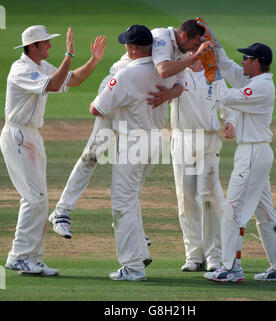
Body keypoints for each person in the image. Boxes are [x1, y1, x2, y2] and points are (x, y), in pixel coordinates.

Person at [49, 18, 206, 238]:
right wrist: (195, 57)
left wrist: (171, 92)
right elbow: (163, 70)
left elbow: (180, 82)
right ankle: (61, 212)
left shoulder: (181, 51)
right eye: (196, 43)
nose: (196, 48)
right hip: (118, 86)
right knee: (94, 153)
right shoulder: (160, 38)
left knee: (140, 161)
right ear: (183, 36)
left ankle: (127, 223)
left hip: (142, 93)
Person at [0, 25, 107, 276]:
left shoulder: (40, 67)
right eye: (45, 43)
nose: (49, 46)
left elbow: (74, 80)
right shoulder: (21, 69)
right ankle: (18, 256)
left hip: (32, 135)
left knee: (39, 198)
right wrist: (69, 55)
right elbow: (55, 82)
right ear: (32, 47)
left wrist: (93, 60)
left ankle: (32, 258)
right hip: (17, 135)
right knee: (34, 198)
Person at [89, 25, 179, 281]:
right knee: (131, 198)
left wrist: (94, 102)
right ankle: (140, 252)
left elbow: (98, 109)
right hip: (156, 140)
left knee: (122, 202)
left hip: (133, 143)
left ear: (132, 48)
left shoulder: (128, 73)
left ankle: (133, 266)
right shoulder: (165, 69)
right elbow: (178, 86)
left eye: (126, 45)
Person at [199, 41, 276, 282]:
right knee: (264, 211)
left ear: (257, 62)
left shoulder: (261, 87)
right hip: (256, 153)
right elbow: (231, 69)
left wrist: (212, 73)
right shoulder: (254, 82)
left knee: (231, 208)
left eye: (247, 58)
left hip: (252, 154)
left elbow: (226, 96)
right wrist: (214, 45)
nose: (242, 61)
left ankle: (231, 267)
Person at [150, 56, 236, 273]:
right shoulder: (177, 72)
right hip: (182, 139)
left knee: (208, 196)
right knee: (185, 197)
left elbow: (227, 105)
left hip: (208, 139)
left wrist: (231, 122)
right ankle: (194, 255)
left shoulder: (213, 74)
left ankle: (214, 256)